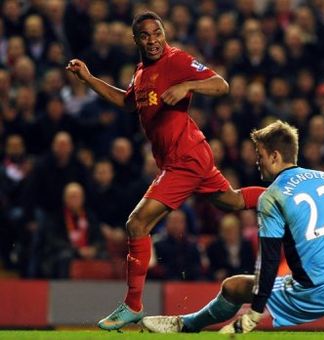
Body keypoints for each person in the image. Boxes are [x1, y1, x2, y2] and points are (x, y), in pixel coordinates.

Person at [66, 11, 265, 330]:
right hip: (187, 156)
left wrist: (188, 85)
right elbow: (128, 102)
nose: (152, 40)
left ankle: (132, 305)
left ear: (164, 33)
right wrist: (88, 79)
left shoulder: (176, 60)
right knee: (234, 202)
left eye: (156, 33)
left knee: (137, 224)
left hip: (185, 159)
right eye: (145, 36)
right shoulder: (142, 72)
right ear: (136, 40)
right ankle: (287, 194)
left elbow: (221, 85)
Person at [141, 120, 324, 334]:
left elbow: (269, 259)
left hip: (318, 287)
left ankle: (185, 325)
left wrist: (255, 311)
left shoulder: (273, 196)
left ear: (275, 156)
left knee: (234, 287)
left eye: (260, 155)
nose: (257, 162)